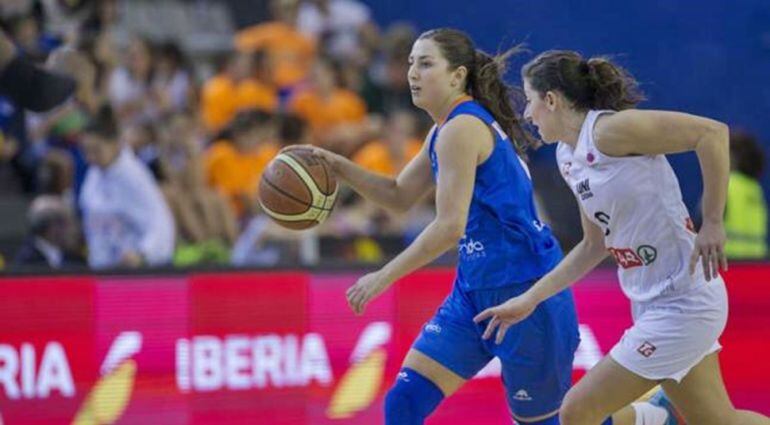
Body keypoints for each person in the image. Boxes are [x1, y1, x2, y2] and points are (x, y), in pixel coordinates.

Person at [296, 28, 662, 425]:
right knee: (403, 401)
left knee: (551, 423)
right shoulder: (443, 130)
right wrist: (337, 165)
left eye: (425, 63)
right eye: (410, 64)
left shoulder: (462, 129)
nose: (412, 73)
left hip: (526, 292)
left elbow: (449, 227)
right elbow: (399, 195)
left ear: (457, 76)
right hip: (473, 291)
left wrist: (383, 276)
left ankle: (648, 418)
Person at [475, 50, 770, 425]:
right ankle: (656, 416)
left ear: (551, 100)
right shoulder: (569, 157)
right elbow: (592, 246)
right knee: (716, 421)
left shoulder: (610, 131)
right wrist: (530, 299)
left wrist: (712, 221)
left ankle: (651, 417)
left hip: (685, 302)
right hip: (648, 299)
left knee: (577, 410)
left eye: (530, 102)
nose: (527, 115)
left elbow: (712, 133)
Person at [79, 106, 175, 269]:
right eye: (86, 151)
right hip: (102, 269)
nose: (90, 157)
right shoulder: (93, 175)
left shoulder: (134, 176)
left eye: (96, 150)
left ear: (116, 143)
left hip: (137, 272)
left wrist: (143, 253)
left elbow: (162, 223)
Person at [724, 131, 767, 258]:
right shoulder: (755, 189)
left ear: (733, 157)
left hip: (728, 262)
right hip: (758, 263)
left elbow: (702, 226)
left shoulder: (725, 185)